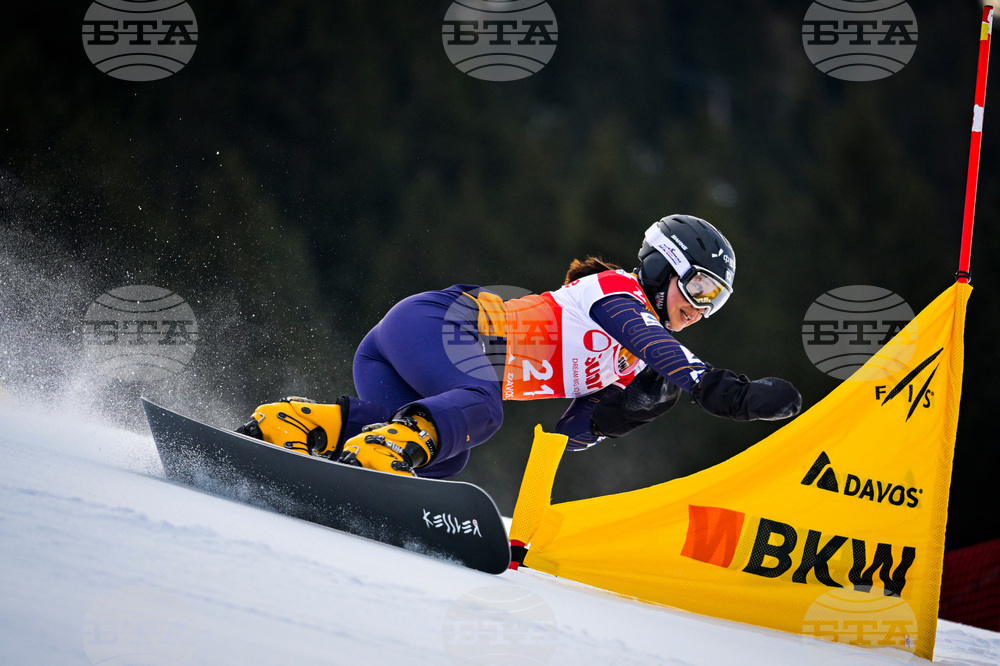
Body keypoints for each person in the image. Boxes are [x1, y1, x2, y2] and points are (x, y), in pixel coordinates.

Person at [237, 214, 802, 477]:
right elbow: (648, 338)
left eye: (716, 301)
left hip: (401, 364)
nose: (700, 309)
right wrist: (721, 391)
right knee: (482, 409)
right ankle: (374, 454)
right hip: (436, 325)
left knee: (443, 461)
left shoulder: (631, 365)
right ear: (663, 269)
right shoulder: (613, 291)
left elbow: (563, 441)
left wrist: (617, 420)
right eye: (699, 288)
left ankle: (296, 428)